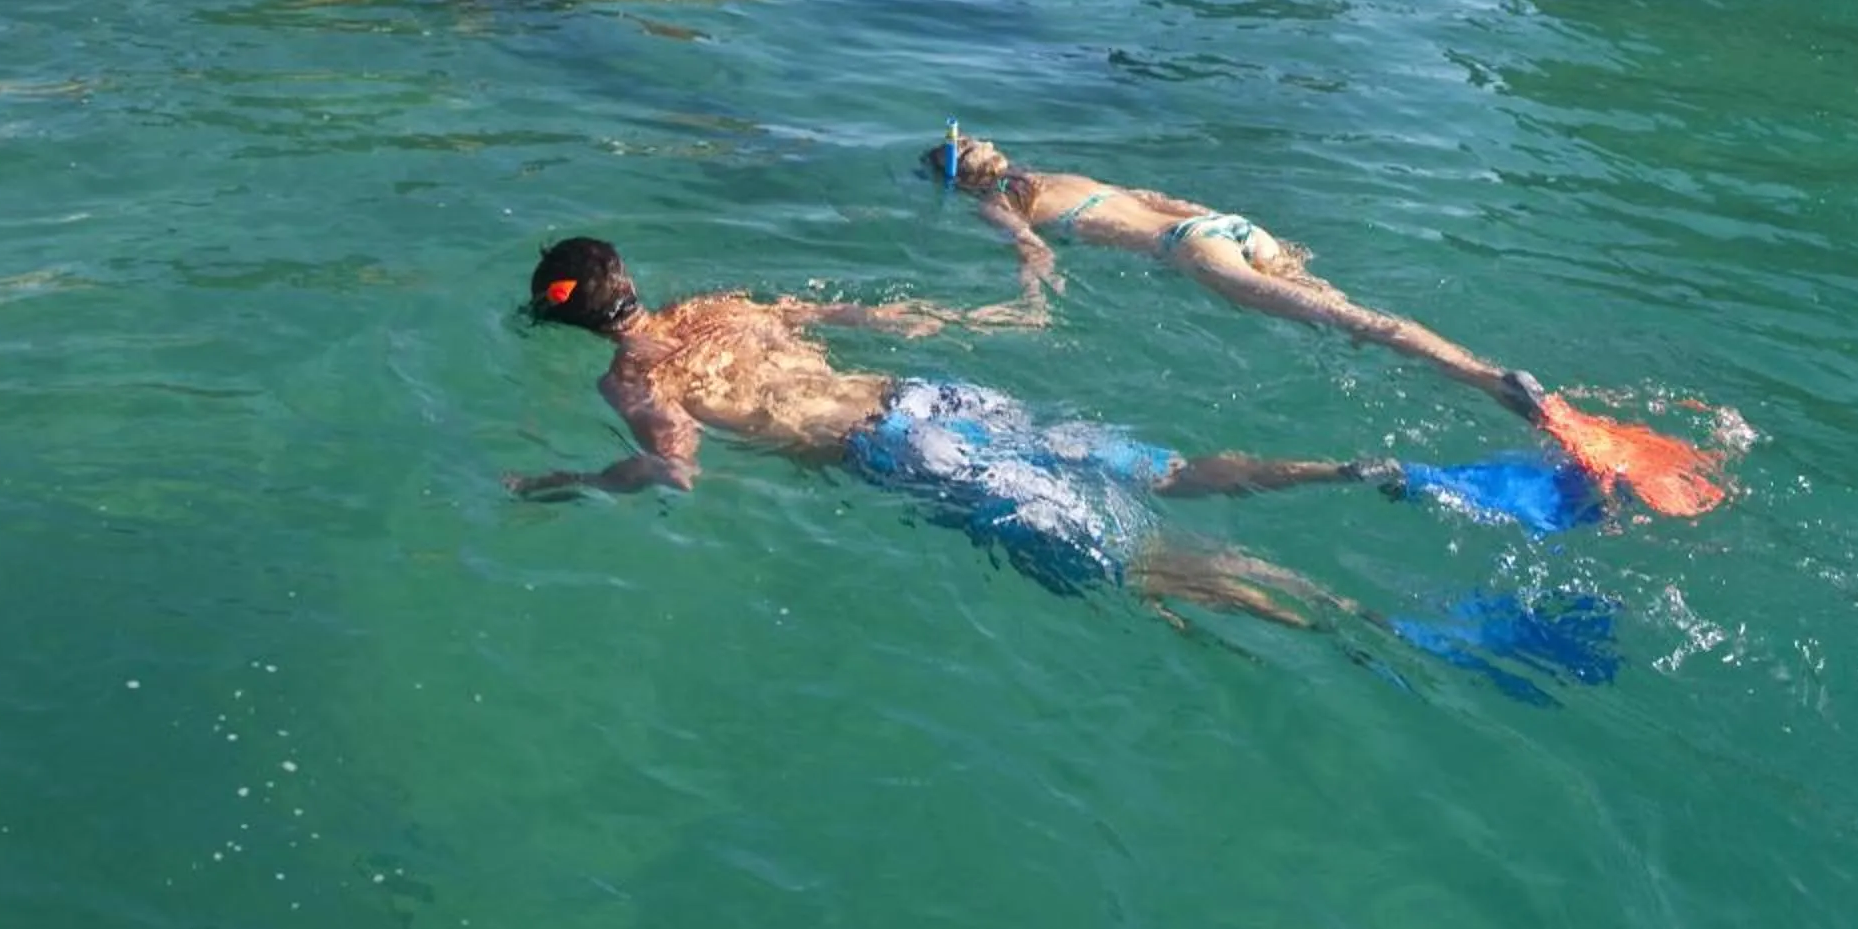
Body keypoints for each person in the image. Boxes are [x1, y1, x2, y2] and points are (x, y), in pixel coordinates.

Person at [504, 234, 1410, 626]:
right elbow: (859, 316)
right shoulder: (723, 306)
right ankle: (1342, 469)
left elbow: (677, 472)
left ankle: (1339, 616)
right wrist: (939, 318)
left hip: (897, 450)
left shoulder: (632, 378)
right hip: (932, 394)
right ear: (627, 274)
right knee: (1158, 471)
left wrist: (569, 483)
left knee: (1130, 560)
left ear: (569, 320)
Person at [928, 134, 1729, 517]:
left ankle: (1500, 384)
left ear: (964, 183)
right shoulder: (1064, 171)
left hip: (1191, 251)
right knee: (1356, 319)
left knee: (1359, 325)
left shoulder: (1002, 204)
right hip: (1233, 226)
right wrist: (1263, 244)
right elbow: (1170, 197)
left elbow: (1036, 255)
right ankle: (1507, 387)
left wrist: (1032, 299)